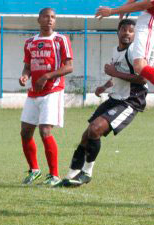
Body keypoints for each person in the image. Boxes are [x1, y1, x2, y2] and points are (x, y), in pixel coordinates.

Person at [60, 19, 147, 187]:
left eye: (131, 31)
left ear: (135, 35)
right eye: (124, 29)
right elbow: (117, 75)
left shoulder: (135, 53)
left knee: (95, 129)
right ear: (118, 32)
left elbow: (143, 78)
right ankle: (72, 173)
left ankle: (87, 172)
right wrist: (105, 86)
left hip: (130, 100)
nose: (127, 33)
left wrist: (114, 72)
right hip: (115, 97)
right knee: (86, 135)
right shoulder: (115, 50)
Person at [19, 8, 74, 187]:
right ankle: (34, 170)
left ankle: (54, 175)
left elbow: (69, 67)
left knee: (45, 131)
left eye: (53, 17)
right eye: (46, 17)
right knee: (25, 131)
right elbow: (27, 66)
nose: (50, 20)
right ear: (39, 19)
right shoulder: (30, 42)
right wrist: (25, 76)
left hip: (53, 91)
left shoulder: (60, 40)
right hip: (34, 92)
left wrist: (47, 76)